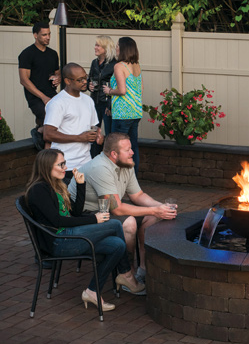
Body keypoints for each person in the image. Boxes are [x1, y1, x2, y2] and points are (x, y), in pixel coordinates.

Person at [25, 149, 145, 312]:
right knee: (115, 225)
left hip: (68, 236)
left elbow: (75, 212)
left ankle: (92, 291)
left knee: (117, 245)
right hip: (59, 241)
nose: (64, 167)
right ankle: (125, 273)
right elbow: (57, 221)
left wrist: (81, 185)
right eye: (60, 164)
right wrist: (93, 219)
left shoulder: (56, 185)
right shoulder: (39, 190)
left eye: (64, 163)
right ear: (47, 166)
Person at [68, 132, 177, 285]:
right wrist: (154, 209)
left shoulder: (125, 163)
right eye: (128, 150)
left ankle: (144, 270)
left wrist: (160, 207)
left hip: (107, 207)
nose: (132, 152)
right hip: (86, 214)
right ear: (114, 154)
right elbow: (117, 209)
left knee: (153, 218)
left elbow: (137, 195)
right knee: (129, 223)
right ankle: (127, 274)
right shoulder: (100, 168)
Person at [43, 63, 103, 185]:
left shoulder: (88, 100)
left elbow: (94, 127)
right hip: (65, 165)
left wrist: (98, 136)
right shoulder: (57, 103)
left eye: (85, 77)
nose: (85, 82)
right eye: (80, 79)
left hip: (86, 163)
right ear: (67, 81)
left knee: (84, 201)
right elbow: (48, 134)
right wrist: (79, 138)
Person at [18, 22, 61, 150]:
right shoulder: (27, 54)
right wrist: (43, 97)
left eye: (49, 34)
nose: (48, 37)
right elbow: (24, 80)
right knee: (47, 117)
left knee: (60, 118)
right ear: (35, 35)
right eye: (44, 35)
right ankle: (46, 154)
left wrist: (57, 79)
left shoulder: (53, 54)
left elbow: (57, 74)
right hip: (35, 96)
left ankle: (40, 131)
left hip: (52, 94)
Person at [104, 37, 142, 174]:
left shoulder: (119, 66)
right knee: (133, 147)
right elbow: (140, 89)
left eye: (118, 46)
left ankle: (118, 178)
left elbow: (122, 90)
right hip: (135, 111)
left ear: (123, 48)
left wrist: (109, 91)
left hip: (122, 113)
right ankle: (134, 177)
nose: (116, 48)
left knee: (117, 148)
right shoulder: (136, 65)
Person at [89, 35, 117, 157]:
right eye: (95, 44)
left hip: (107, 103)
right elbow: (89, 79)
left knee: (109, 134)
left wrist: (110, 105)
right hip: (94, 102)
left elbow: (117, 85)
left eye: (98, 45)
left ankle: (107, 159)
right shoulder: (94, 63)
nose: (95, 47)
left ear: (106, 48)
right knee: (93, 132)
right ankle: (93, 158)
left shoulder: (114, 64)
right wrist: (88, 85)